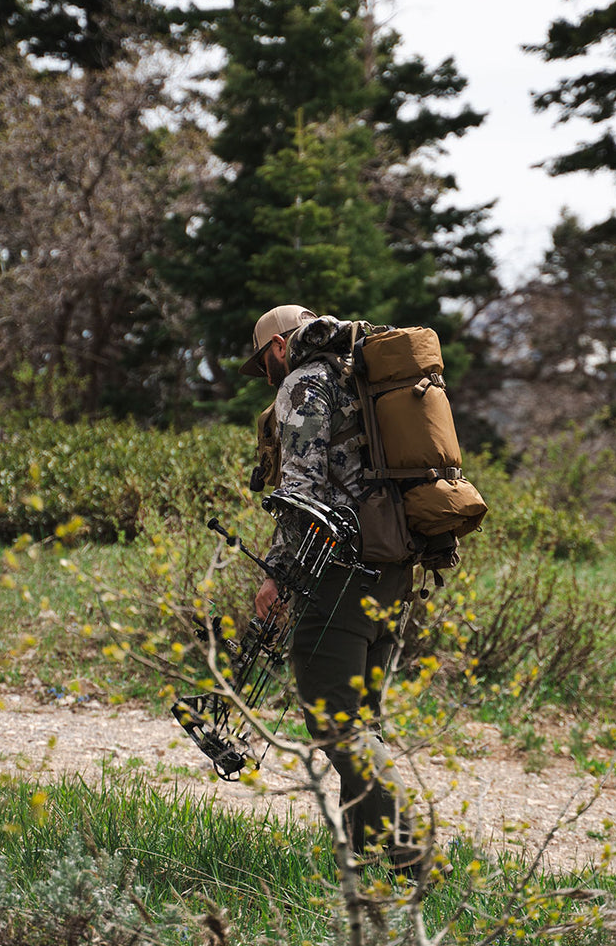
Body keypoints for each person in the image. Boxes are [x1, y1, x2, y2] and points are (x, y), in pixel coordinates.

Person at [239, 304, 426, 875]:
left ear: (278, 347)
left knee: (336, 720)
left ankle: (414, 857)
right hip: (394, 567)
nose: (268, 376)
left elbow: (301, 488)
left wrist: (276, 575)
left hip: (340, 569)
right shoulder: (360, 378)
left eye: (264, 363)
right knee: (360, 720)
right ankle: (372, 862)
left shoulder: (304, 381)